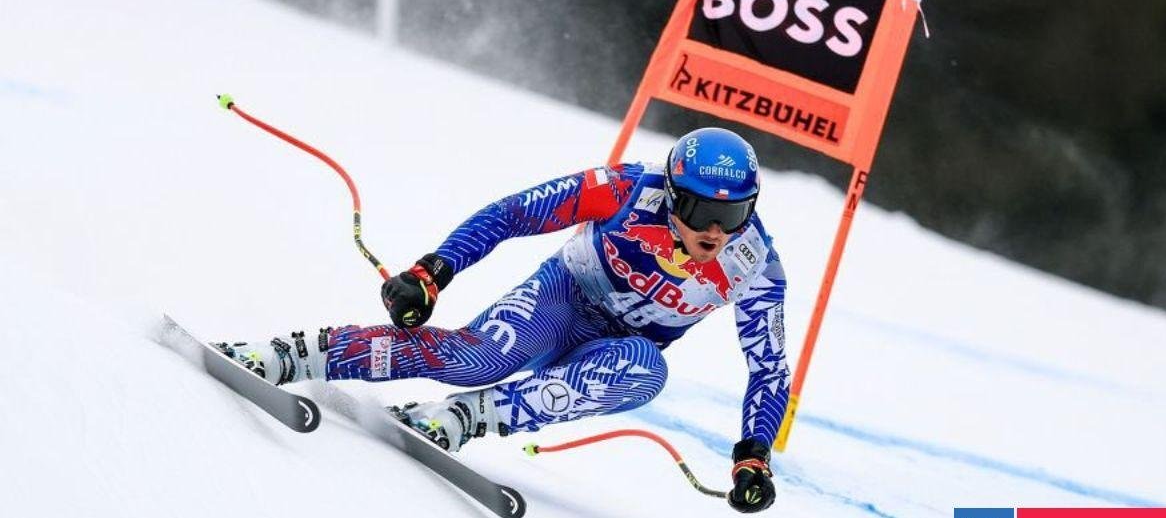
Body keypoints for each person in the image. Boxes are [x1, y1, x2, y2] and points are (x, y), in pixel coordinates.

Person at [218, 127, 789, 513]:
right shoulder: (625, 191)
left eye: (733, 213)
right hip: (563, 299)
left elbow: (769, 366)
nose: (714, 231)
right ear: (670, 194)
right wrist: (432, 272)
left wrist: (753, 455)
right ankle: (294, 353)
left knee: (645, 372)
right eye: (698, 210)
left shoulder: (753, 266)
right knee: (480, 359)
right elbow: (515, 213)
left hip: (620, 347)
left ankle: (464, 420)